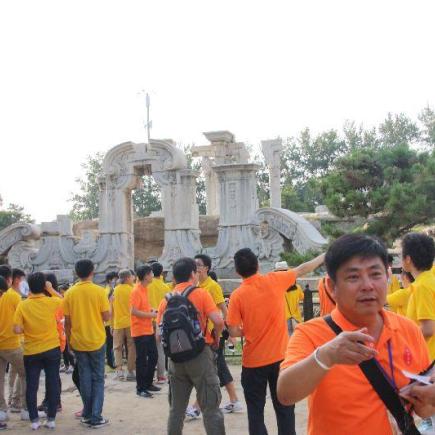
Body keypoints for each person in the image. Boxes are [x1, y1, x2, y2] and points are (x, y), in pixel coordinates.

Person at [277, 234, 435, 435]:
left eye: (375, 274)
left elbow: (423, 409)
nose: (367, 285)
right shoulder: (311, 334)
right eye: (353, 277)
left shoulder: (408, 330)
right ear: (332, 288)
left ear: (387, 278)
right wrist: (326, 355)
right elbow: (285, 394)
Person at [226, 248, 324, 435]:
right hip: (281, 358)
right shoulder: (275, 280)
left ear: (237, 272)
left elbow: (233, 330)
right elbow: (302, 269)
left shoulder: (238, 295)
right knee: (285, 408)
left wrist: (249, 329)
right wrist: (324, 256)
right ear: (258, 265)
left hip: (253, 362)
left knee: (255, 412)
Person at [156, 257, 226, 435]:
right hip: (200, 355)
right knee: (211, 407)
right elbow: (218, 321)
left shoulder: (166, 300)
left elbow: (158, 335)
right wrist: (216, 338)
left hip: (176, 360)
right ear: (192, 274)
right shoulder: (201, 293)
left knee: (176, 410)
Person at [186, 254, 242, 420]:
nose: (196, 267)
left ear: (207, 268)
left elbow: (224, 310)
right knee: (218, 368)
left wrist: (230, 333)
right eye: (194, 264)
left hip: (213, 335)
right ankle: (234, 400)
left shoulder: (212, 286)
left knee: (208, 371)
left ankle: (197, 407)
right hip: (203, 335)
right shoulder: (197, 285)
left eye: (199, 264)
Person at [63, 259, 110, 429]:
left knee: (84, 378)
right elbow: (106, 316)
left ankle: (88, 413)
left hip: (78, 341)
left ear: (77, 273)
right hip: (96, 340)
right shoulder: (99, 291)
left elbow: (67, 322)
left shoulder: (69, 293)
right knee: (98, 378)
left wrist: (69, 341)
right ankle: (96, 416)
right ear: (93, 271)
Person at [13, 272, 63, 430]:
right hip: (51, 348)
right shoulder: (52, 302)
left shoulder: (23, 305)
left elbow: (16, 329)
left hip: (31, 350)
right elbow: (65, 301)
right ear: (44, 286)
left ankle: (34, 420)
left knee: (32, 384)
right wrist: (51, 289)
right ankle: (51, 419)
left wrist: (25, 329)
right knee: (52, 381)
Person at [0, 265, 27, 424]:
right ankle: (25, 408)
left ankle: (2, 410)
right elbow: (22, 320)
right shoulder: (13, 296)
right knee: (26, 374)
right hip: (12, 343)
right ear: (10, 279)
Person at [402, 233, 435, 360]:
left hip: (428, 359)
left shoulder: (422, 287)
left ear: (408, 259)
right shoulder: (430, 281)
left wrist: (401, 335)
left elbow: (428, 329)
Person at [130, 265, 160, 398]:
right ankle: (140, 387)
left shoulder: (145, 289)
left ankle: (148, 383)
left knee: (153, 356)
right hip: (139, 330)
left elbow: (143, 308)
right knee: (142, 360)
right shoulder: (136, 290)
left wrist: (152, 311)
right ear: (146, 275)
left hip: (147, 329)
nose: (153, 275)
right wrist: (152, 315)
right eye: (151, 273)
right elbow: (134, 311)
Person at [38, 273, 65, 414]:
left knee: (53, 375)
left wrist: (50, 290)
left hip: (56, 341)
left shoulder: (55, 299)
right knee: (51, 374)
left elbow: (63, 302)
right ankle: (49, 400)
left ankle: (55, 402)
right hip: (49, 341)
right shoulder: (49, 299)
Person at [147, 262, 170, 384]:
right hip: (160, 320)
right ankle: (161, 375)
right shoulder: (165, 287)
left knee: (148, 350)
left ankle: (148, 376)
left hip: (147, 319)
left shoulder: (146, 286)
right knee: (160, 349)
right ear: (161, 273)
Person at [112, 269, 136, 381]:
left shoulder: (115, 290)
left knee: (117, 347)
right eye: (131, 277)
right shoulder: (133, 289)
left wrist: (111, 324)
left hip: (118, 322)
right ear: (127, 278)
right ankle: (131, 371)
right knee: (131, 347)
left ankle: (119, 370)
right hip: (131, 323)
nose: (133, 278)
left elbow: (111, 308)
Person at [7, 268, 26, 413]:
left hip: (8, 340)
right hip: (14, 341)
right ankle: (17, 402)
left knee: (12, 372)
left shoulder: (6, 295)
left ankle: (10, 400)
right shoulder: (15, 297)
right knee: (23, 372)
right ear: (17, 280)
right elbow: (20, 323)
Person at [275, 261, 304, 336]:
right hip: (296, 319)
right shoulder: (297, 288)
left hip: (283, 321)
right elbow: (302, 297)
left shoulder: (276, 289)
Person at [104, 272, 118, 370]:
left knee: (110, 343)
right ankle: (111, 362)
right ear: (110, 280)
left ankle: (111, 361)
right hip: (109, 321)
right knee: (110, 343)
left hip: (109, 321)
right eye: (115, 279)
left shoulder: (109, 290)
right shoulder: (109, 291)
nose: (117, 281)